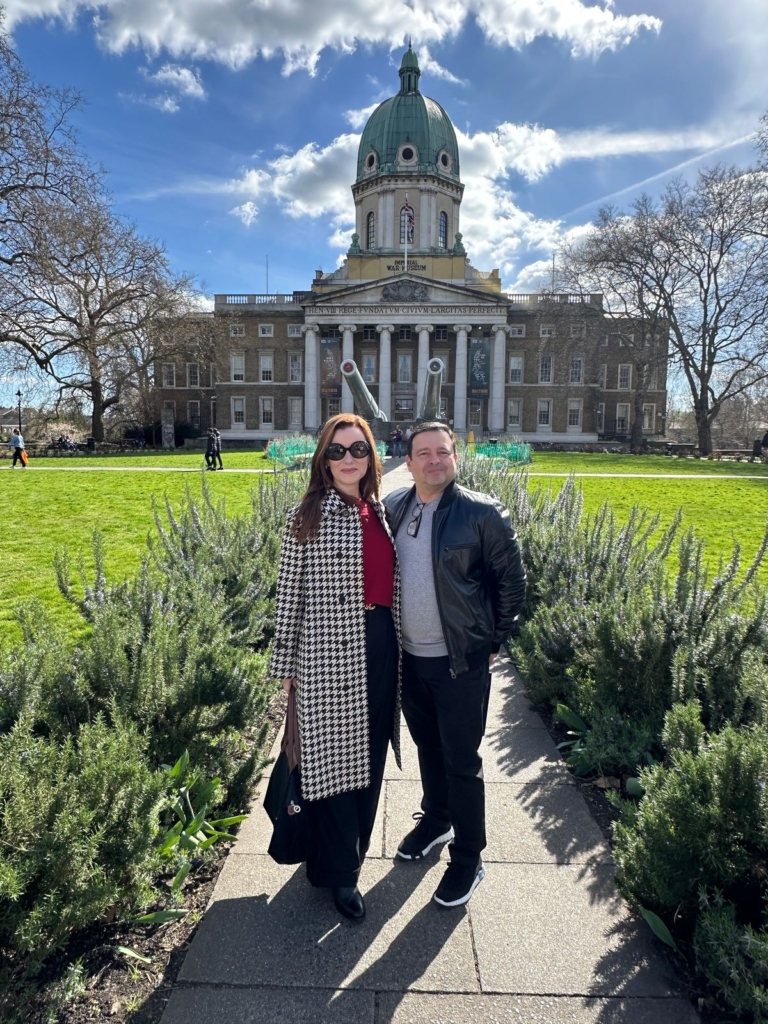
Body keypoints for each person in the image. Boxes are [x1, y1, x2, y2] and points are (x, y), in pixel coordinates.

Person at [384, 421, 526, 907]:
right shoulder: (395, 508)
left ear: (455, 458)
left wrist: (494, 640)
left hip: (460, 663)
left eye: (442, 452)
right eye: (423, 453)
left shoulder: (482, 513)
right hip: (410, 659)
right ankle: (437, 820)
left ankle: (468, 857)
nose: (433, 461)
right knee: (429, 747)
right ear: (408, 462)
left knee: (462, 760)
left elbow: (513, 582)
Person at [270, 413, 401, 921]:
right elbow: (289, 598)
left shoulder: (379, 511)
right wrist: (287, 668)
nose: (349, 459)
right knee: (335, 768)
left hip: (381, 645)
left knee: (366, 762)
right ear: (323, 460)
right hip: (326, 656)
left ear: (372, 457)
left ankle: (340, 860)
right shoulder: (306, 515)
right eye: (337, 451)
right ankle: (340, 873)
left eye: (358, 449)